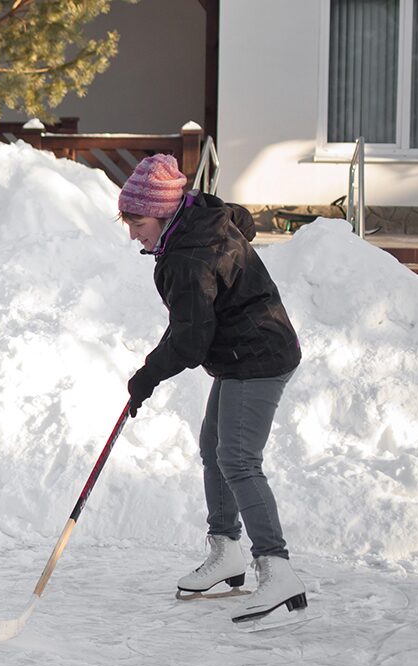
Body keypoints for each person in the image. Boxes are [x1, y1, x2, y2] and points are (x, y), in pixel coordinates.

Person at [118, 154, 307, 627]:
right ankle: (226, 553)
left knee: (238, 459)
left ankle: (277, 570)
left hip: (257, 355)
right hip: (241, 353)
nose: (133, 234)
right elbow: (237, 222)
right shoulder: (199, 218)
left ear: (163, 213)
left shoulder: (186, 258)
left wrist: (146, 376)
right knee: (214, 448)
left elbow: (189, 339)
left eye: (137, 222)